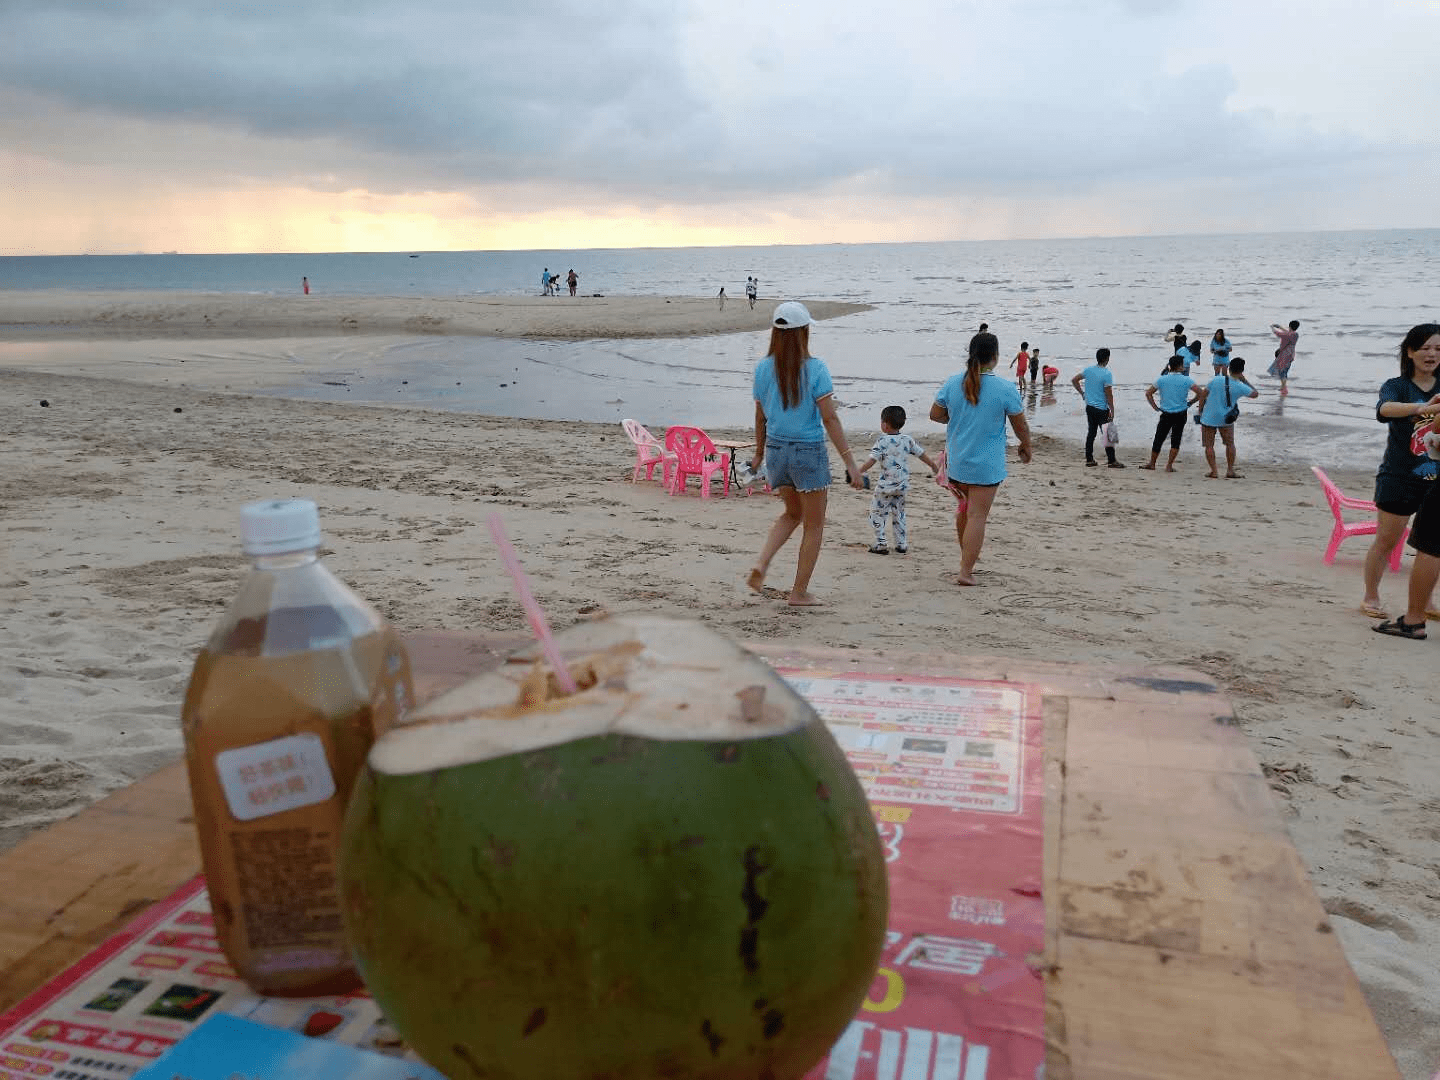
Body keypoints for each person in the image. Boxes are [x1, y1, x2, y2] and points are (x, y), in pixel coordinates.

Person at [747, 301, 863, 607]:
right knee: (814, 524)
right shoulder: (816, 368)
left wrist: (759, 454)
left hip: (776, 450)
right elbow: (829, 418)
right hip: (807, 451)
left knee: (791, 513)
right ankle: (798, 593)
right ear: (803, 332)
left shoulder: (762, 368)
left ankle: (762, 562)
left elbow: (760, 418)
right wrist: (850, 461)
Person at [930, 331, 1031, 586]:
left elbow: (935, 414)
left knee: (964, 511)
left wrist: (957, 420)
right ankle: (965, 571)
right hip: (986, 465)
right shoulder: (1005, 388)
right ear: (995, 357)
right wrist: (1025, 446)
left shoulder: (953, 383)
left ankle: (966, 559)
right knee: (977, 516)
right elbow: (1021, 426)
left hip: (957, 462)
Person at [1362, 323, 1440, 622]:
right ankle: (1371, 595)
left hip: (1435, 481)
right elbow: (1385, 409)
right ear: (1410, 351)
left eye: (1438, 348)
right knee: (1386, 541)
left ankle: (1427, 601)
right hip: (1399, 477)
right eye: (1425, 347)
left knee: (1431, 547)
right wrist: (1422, 409)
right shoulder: (1397, 384)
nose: (1432, 354)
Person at [857, 405, 939, 555]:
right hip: (902, 486)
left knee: (877, 513)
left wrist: (859, 471)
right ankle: (901, 544)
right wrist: (933, 465)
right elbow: (921, 454)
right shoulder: (907, 440)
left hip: (885, 487)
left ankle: (881, 543)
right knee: (899, 514)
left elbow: (872, 460)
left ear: (885, 424)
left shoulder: (882, 441)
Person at [1197, 356, 1258, 478]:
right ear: (1241, 371)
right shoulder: (1241, 386)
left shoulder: (1216, 380)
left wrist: (1200, 410)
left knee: (1209, 446)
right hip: (1226, 419)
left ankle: (1214, 471)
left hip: (1208, 417)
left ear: (1229, 369)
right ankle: (1230, 470)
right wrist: (1244, 380)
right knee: (1230, 444)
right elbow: (1255, 394)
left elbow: (1203, 395)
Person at [1142, 356, 1204, 472]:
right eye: (1183, 365)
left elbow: (1148, 393)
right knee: (1176, 440)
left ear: (1170, 366)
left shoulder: (1162, 379)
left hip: (1166, 413)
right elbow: (1201, 393)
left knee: (1159, 438)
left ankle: (1152, 463)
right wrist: (1190, 403)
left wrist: (1155, 407)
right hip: (1180, 413)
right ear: (1180, 366)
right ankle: (1169, 466)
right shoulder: (1187, 380)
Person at [1071, 348, 1123, 468]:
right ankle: (1112, 460)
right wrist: (1112, 409)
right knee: (1109, 433)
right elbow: (1109, 394)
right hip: (1102, 408)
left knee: (1091, 433)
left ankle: (1089, 459)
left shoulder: (1089, 370)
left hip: (1090, 407)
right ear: (1106, 359)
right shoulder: (1107, 373)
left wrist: (1082, 393)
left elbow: (1074, 380)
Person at [1268, 319, 1301, 394]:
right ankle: (1283, 387)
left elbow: (1277, 333)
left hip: (1284, 355)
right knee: (1285, 371)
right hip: (1291, 355)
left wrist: (1272, 327)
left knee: (1282, 372)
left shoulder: (1287, 335)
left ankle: (1284, 388)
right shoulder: (1295, 334)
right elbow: (1288, 332)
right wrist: (1280, 327)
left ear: (1290, 325)